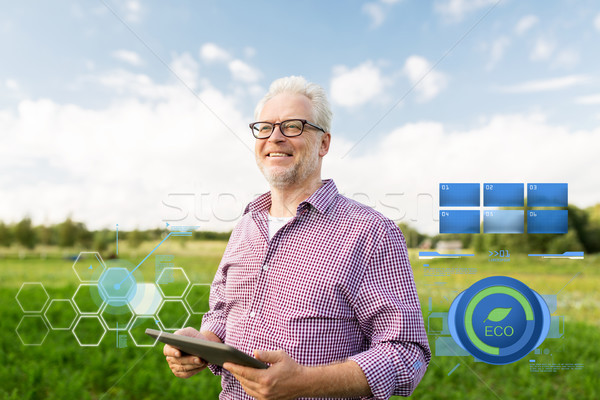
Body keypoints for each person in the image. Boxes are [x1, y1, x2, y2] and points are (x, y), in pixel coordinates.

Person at [163, 76, 431, 399]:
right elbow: (222, 314)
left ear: (324, 143)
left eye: (293, 126)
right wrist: (203, 343)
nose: (275, 137)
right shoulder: (245, 227)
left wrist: (304, 382)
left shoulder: (372, 232)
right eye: (265, 127)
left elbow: (408, 355)